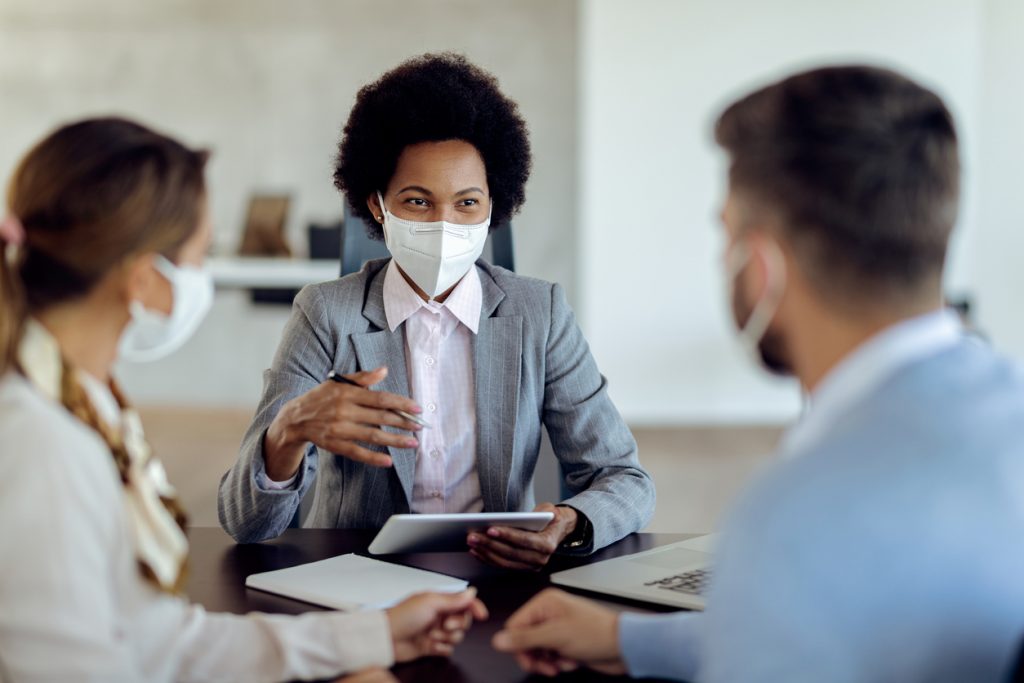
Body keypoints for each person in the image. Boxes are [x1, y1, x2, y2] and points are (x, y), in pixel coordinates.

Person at [491, 66, 1024, 681]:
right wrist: (628, 640)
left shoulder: (801, 512)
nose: (724, 259)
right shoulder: (1000, 413)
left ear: (763, 266)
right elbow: (861, 625)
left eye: (727, 233)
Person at [0, 117, 487, 682]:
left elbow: (157, 640)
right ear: (142, 280)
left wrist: (373, 636)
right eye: (200, 257)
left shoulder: (86, 404)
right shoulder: (40, 448)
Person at [218, 53, 655, 569]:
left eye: (467, 203)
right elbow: (245, 523)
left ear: (495, 204)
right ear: (377, 204)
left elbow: (624, 479)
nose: (445, 223)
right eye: (418, 202)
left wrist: (572, 522)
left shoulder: (541, 313)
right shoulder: (326, 314)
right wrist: (288, 431)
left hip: (498, 577)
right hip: (357, 577)